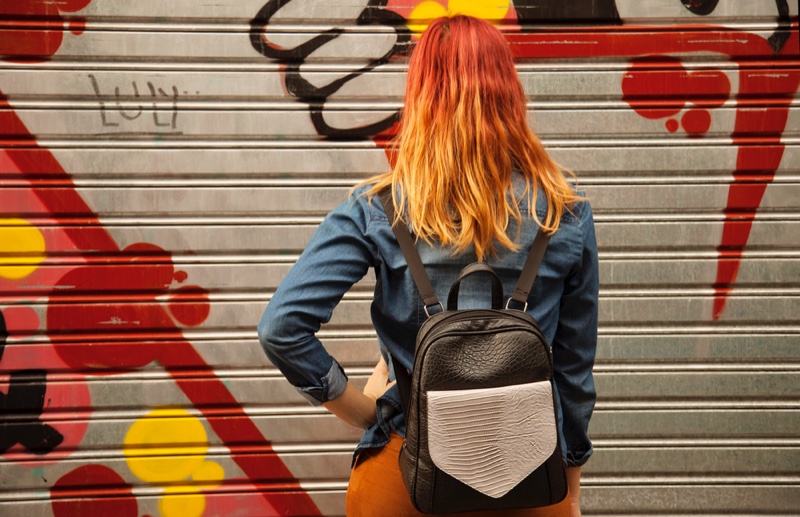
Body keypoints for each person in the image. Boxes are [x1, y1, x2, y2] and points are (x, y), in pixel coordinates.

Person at [258, 14, 598, 517]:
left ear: (420, 96)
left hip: (405, 472)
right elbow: (573, 372)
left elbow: (281, 329)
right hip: (528, 474)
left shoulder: (379, 209)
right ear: (510, 93)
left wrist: (365, 411)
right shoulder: (563, 215)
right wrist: (567, 486)